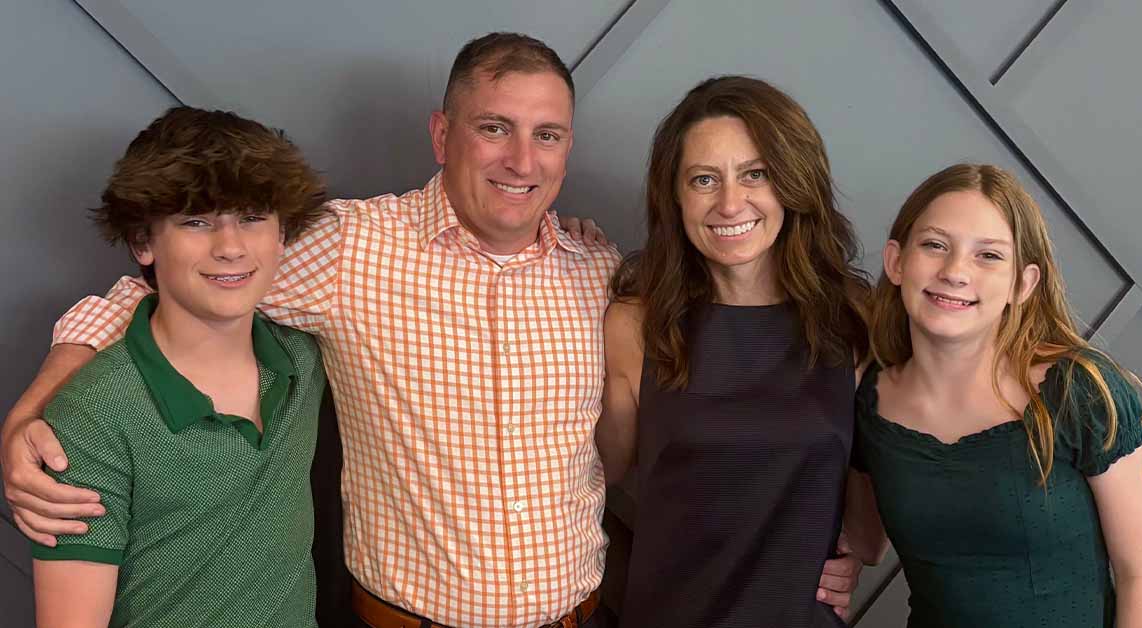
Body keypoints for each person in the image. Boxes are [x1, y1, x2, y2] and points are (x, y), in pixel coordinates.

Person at [1, 35, 859, 627]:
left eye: (547, 134)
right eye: (494, 128)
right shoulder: (348, 247)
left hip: (586, 616)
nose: (522, 161)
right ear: (444, 134)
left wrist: (843, 544)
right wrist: (36, 407)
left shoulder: (600, 272)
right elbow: (175, 278)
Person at [30, 106, 328, 627]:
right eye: (196, 222)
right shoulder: (92, 415)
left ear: (284, 234)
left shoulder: (302, 360)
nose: (231, 247)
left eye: (253, 218)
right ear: (143, 242)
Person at [597, 76, 871, 627]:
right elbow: (584, 481)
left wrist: (858, 556)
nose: (729, 203)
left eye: (756, 174)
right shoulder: (635, 323)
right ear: (674, 196)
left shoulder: (855, 319)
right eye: (704, 179)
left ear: (794, 182)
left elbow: (876, 501)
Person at [847, 163, 1142, 627]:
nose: (956, 272)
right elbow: (863, 543)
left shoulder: (1077, 390)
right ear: (896, 261)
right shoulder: (867, 401)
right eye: (935, 245)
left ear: (1024, 283)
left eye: (989, 256)